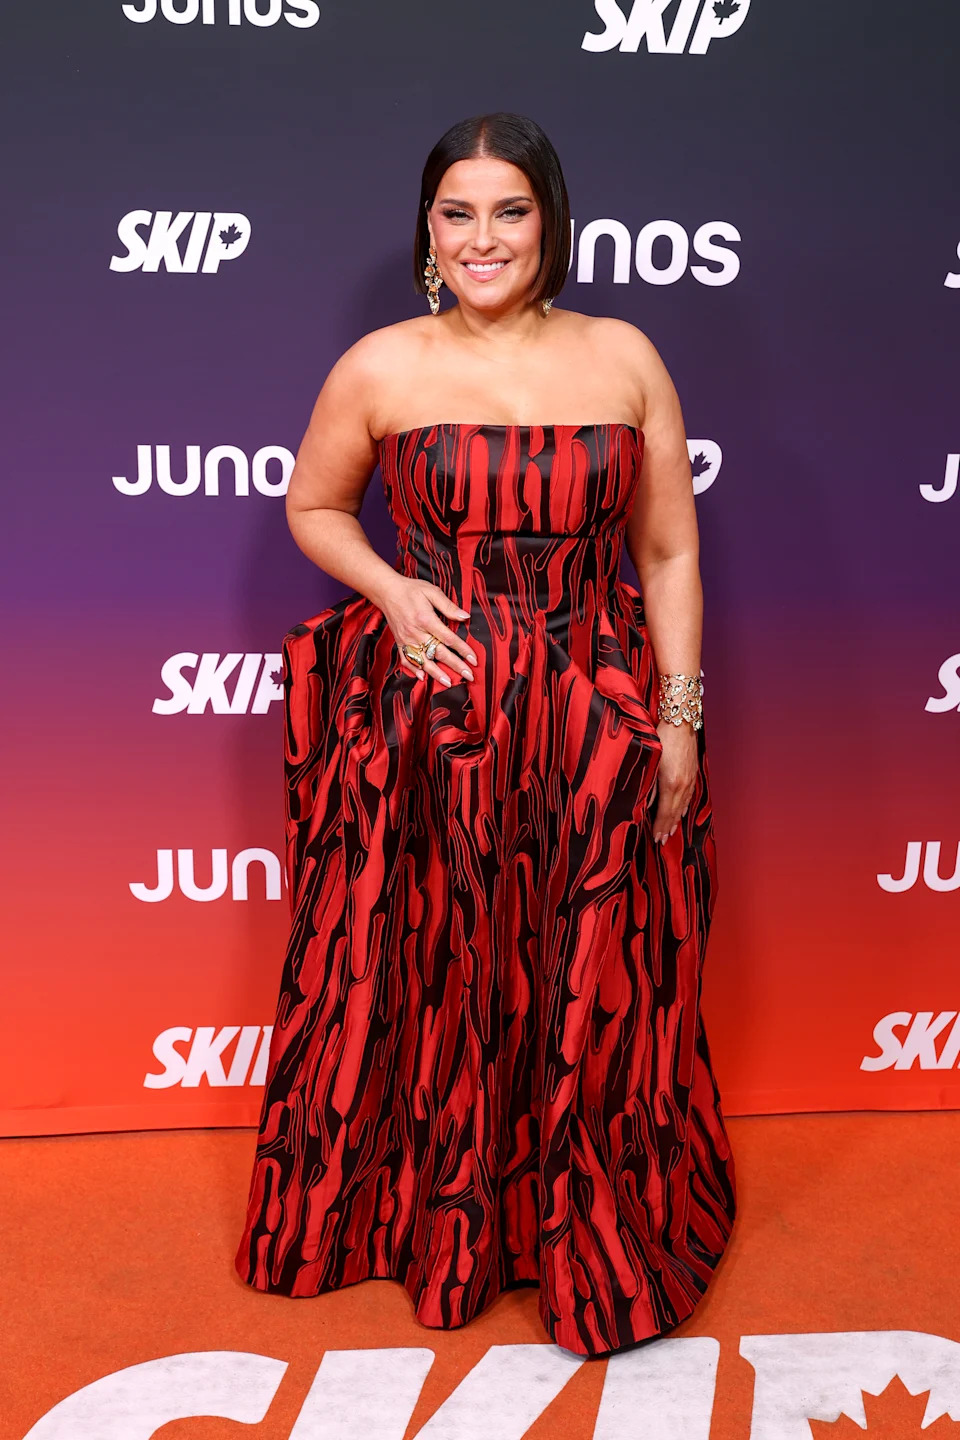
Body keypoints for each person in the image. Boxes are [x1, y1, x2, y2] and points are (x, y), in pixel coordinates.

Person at [234, 111, 737, 1358]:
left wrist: (677, 714)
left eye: (509, 210)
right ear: (426, 230)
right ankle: (454, 1225)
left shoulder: (625, 356)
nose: (482, 238)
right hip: (441, 716)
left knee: (594, 968)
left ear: (552, 222)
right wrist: (394, 592)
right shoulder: (380, 368)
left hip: (595, 705)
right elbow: (313, 504)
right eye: (457, 213)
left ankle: (584, 1225)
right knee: (444, 970)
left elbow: (669, 550)